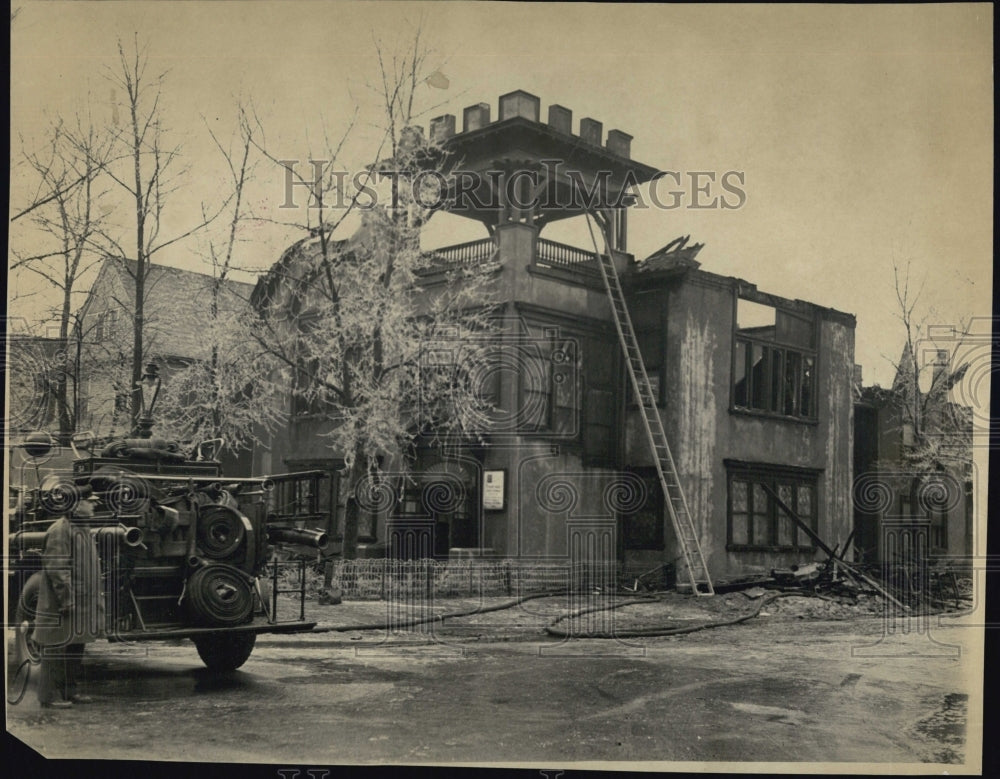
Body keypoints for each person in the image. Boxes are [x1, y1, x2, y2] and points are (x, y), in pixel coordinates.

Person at [34, 494, 105, 708]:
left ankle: (69, 691)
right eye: (89, 501)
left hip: (81, 602)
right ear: (74, 505)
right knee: (56, 648)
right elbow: (58, 570)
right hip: (63, 604)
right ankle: (49, 696)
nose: (94, 505)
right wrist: (67, 601)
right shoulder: (60, 530)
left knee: (75, 647)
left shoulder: (82, 528)